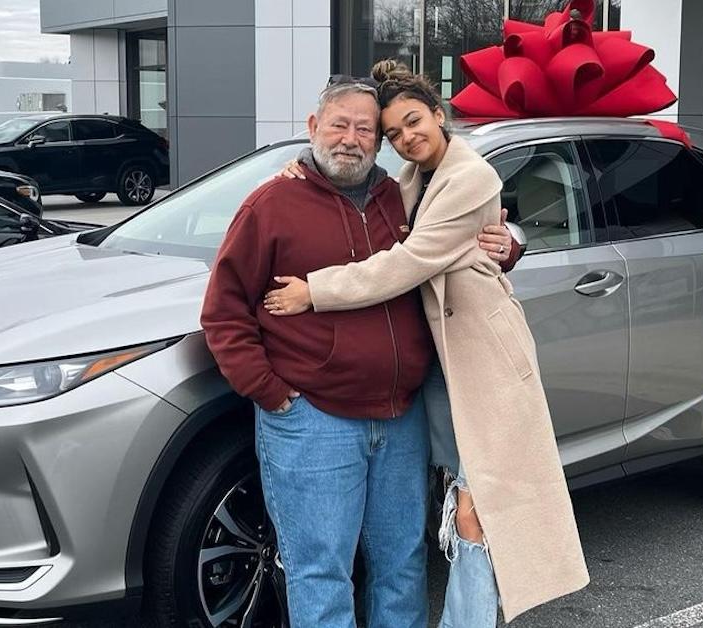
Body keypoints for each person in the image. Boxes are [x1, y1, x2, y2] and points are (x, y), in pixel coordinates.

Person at [263, 61, 590, 626]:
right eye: (393, 133)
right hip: (434, 367)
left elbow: (409, 261)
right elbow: (391, 215)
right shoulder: (411, 179)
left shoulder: (470, 176)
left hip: (480, 358)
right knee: (453, 506)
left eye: (414, 122)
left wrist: (314, 291)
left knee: (476, 508)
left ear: (439, 116)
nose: (406, 137)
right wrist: (304, 169)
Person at [199, 75, 519, 628]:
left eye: (366, 130)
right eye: (339, 124)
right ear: (313, 127)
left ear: (379, 143)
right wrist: (273, 396)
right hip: (313, 421)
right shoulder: (271, 204)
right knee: (320, 571)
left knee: (403, 565)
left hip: (400, 418)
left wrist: (509, 242)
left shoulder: (400, 195)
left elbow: (454, 239)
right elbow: (223, 313)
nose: (350, 138)